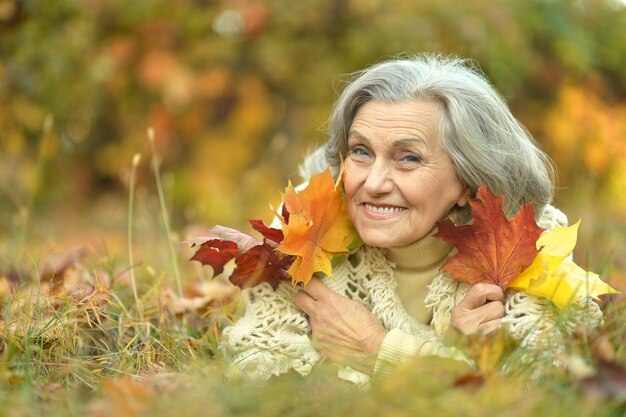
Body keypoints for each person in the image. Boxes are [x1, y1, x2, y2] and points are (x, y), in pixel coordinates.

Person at [220, 54, 603, 383]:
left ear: (468, 182)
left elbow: (536, 382)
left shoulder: (522, 240)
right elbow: (261, 369)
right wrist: (447, 359)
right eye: (360, 151)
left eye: (409, 158)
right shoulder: (303, 226)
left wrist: (376, 349)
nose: (373, 183)